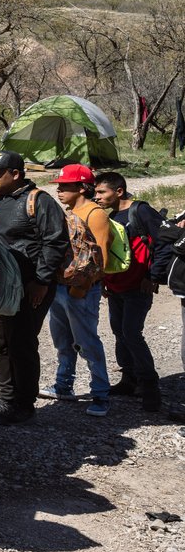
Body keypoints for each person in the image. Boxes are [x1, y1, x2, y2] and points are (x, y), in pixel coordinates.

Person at [0, 151, 69, 425]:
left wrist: (42, 281)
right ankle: (6, 398)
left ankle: (24, 403)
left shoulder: (39, 201)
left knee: (22, 342)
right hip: (2, 287)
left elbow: (55, 242)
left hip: (31, 286)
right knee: (2, 343)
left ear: (16, 174)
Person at [42, 164, 114, 416]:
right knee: (62, 341)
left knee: (87, 343)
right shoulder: (71, 211)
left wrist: (80, 290)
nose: (59, 190)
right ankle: (64, 385)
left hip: (81, 291)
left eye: (65, 186)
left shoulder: (96, 214)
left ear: (82, 187)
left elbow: (100, 260)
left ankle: (101, 394)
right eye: (59, 186)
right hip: (62, 288)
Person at [96, 171, 165, 412]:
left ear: (119, 191)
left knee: (131, 333)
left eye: (101, 192)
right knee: (119, 331)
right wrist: (104, 280)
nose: (97, 197)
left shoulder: (141, 211)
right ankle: (129, 379)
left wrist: (152, 276)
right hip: (116, 286)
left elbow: (164, 242)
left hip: (138, 286)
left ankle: (150, 386)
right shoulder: (111, 215)